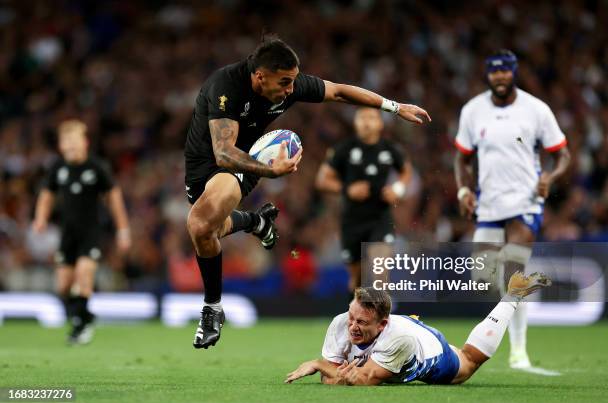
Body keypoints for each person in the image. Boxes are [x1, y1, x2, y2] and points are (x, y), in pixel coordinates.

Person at [183, 35, 430, 350]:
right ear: (260, 76)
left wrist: (395, 107)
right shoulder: (226, 85)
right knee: (207, 229)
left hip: (245, 164)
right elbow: (222, 151)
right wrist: (273, 172)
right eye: (284, 82)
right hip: (210, 162)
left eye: (293, 81)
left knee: (199, 224)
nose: (291, 89)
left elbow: (339, 91)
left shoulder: (291, 85)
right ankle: (254, 223)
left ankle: (212, 309)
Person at [453, 49, 570, 370]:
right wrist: (464, 189)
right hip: (489, 204)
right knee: (483, 275)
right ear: (487, 75)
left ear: (514, 72)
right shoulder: (473, 111)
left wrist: (550, 176)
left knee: (513, 274)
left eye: (505, 70)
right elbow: (462, 158)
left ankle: (519, 353)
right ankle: (510, 331)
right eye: (494, 71)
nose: (500, 76)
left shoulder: (536, 109)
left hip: (525, 202)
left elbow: (563, 154)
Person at [285, 273, 551, 385]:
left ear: (382, 324)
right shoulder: (341, 322)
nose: (352, 326)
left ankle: (512, 296)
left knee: (468, 361)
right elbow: (332, 379)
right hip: (403, 326)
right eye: (352, 318)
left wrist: (319, 364)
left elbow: (364, 380)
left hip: (429, 352)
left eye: (362, 322)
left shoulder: (399, 338)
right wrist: (330, 371)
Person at [33, 119, 131, 344]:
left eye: (74, 141)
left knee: (84, 273)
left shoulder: (96, 167)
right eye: (66, 141)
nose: (70, 146)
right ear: (60, 145)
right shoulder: (58, 168)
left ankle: (79, 327)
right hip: (67, 234)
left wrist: (123, 229)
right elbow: (47, 194)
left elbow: (114, 197)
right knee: (63, 285)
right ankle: (85, 316)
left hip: (91, 232)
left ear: (84, 143)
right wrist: (40, 218)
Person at [316, 107, 411, 296]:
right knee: (357, 283)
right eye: (362, 117)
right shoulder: (344, 149)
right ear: (355, 123)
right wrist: (347, 189)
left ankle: (380, 323)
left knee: (379, 273)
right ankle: (356, 318)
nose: (367, 122)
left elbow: (406, 171)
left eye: (372, 118)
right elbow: (322, 180)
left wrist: (397, 189)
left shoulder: (390, 149)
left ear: (380, 123)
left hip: (380, 217)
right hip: (352, 221)